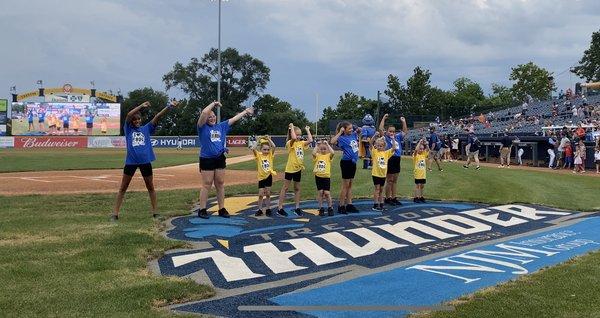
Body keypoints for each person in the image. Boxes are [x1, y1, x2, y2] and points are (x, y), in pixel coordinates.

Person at [111, 100, 179, 221]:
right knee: (123, 187)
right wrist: (141, 106)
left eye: (138, 119)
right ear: (132, 121)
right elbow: (128, 115)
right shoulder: (128, 129)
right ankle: (115, 214)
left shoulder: (146, 128)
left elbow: (157, 116)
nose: (137, 121)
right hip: (131, 162)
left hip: (145, 162)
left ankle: (155, 212)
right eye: (134, 120)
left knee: (150, 187)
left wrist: (169, 106)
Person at [196, 101, 254, 219]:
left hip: (220, 158)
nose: (212, 118)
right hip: (207, 159)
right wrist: (213, 104)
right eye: (209, 117)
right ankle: (202, 209)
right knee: (207, 184)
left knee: (220, 183)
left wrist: (245, 112)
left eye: (213, 116)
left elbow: (234, 119)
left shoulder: (221, 126)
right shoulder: (202, 127)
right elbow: (203, 112)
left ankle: (221, 208)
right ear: (206, 119)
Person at [277, 124, 313, 217]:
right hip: (290, 169)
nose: (299, 136)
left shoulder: (301, 143)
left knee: (297, 188)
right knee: (285, 188)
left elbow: (310, 140)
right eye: (297, 134)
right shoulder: (290, 142)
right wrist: (291, 127)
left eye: (300, 135)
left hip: (298, 169)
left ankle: (297, 208)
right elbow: (293, 137)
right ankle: (280, 208)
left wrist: (307, 130)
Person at [331, 121, 361, 214]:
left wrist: (358, 130)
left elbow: (360, 131)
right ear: (344, 129)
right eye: (349, 128)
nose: (351, 130)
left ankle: (349, 204)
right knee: (345, 185)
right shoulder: (342, 138)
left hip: (353, 162)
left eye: (352, 128)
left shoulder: (353, 135)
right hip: (346, 163)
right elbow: (332, 141)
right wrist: (340, 132)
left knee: (350, 185)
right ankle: (341, 205)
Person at [378, 114, 407, 206]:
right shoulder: (385, 138)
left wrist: (403, 121)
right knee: (389, 180)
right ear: (387, 132)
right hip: (390, 159)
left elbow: (405, 131)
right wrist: (383, 118)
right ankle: (387, 198)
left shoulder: (397, 137)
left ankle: (394, 198)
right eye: (390, 131)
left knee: (395, 180)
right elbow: (380, 129)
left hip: (397, 159)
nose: (392, 133)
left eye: (393, 131)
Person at [370, 132, 398, 211]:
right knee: (377, 189)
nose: (379, 147)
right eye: (378, 145)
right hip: (376, 174)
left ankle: (381, 203)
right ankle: (375, 204)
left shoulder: (386, 153)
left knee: (381, 190)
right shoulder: (375, 152)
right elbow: (370, 144)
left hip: (383, 175)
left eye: (381, 146)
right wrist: (374, 136)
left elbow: (394, 148)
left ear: (384, 146)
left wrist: (392, 139)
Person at [252, 136, 276, 217]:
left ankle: (268, 209)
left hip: (268, 176)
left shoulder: (270, 155)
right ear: (261, 149)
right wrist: (258, 140)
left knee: (268, 194)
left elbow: (274, 146)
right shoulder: (258, 155)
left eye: (268, 149)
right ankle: (260, 209)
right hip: (261, 177)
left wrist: (269, 139)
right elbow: (253, 148)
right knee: (261, 194)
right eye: (264, 149)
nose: (266, 151)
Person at [312, 139, 335, 216]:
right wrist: (317, 145)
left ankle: (330, 207)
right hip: (318, 176)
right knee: (320, 193)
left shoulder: (328, 156)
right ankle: (321, 208)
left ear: (327, 149)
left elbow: (333, 153)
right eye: (321, 149)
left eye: (324, 149)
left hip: (326, 177)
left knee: (327, 193)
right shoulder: (318, 155)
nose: (323, 150)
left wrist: (327, 144)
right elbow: (313, 153)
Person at [413, 138, 429, 203]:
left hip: (423, 174)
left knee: (422, 186)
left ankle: (421, 196)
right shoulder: (416, 155)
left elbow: (428, 149)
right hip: (417, 174)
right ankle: (416, 197)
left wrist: (425, 143)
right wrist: (419, 142)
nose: (421, 150)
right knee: (417, 185)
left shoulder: (423, 155)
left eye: (422, 149)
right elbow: (416, 150)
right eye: (420, 149)